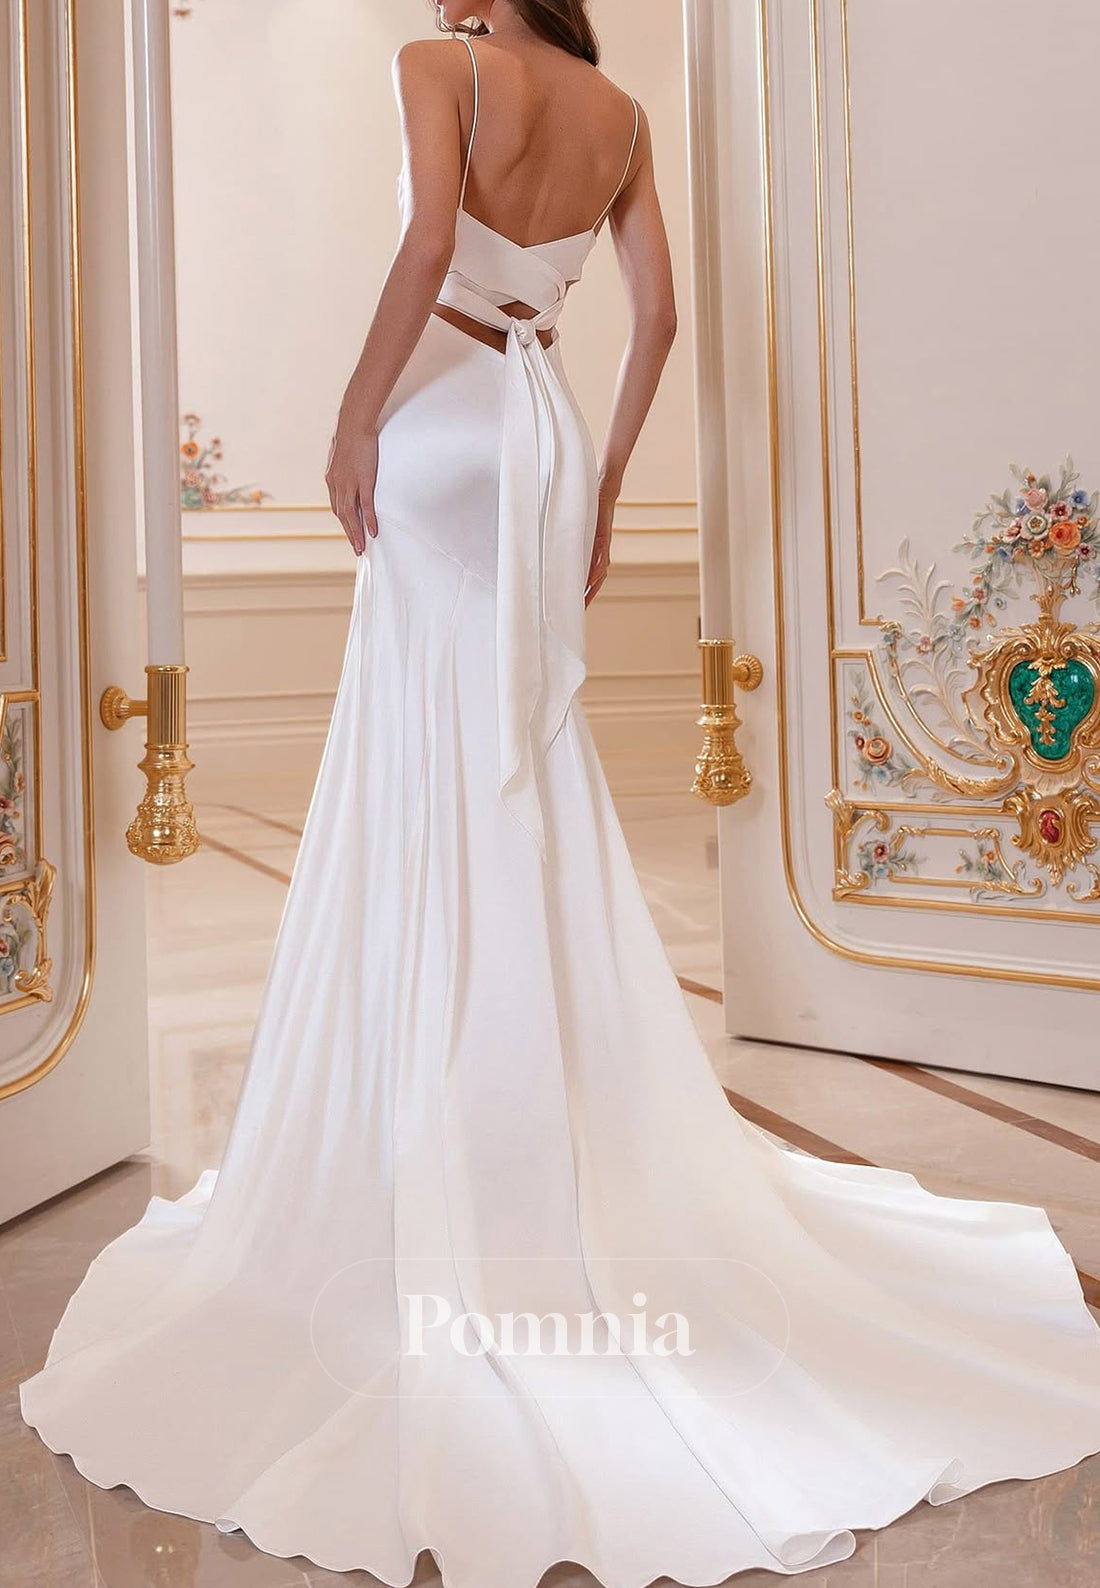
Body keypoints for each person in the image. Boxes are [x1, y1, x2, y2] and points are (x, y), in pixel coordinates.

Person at [20, 4, 1100, 1585]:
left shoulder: (442, 65)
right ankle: (539, 1103)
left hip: (441, 415)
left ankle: (436, 1099)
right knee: (522, 762)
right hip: (542, 434)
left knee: (428, 749)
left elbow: (426, 248)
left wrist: (350, 418)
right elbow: (656, 317)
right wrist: (601, 484)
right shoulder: (618, 112)